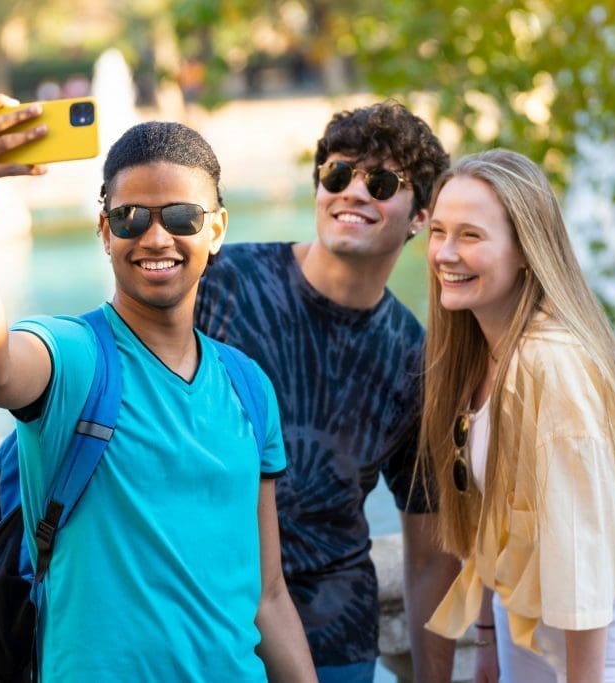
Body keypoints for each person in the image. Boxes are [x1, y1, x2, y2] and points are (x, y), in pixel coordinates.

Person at [0, 95, 316, 681]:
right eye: (131, 218)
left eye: (182, 217)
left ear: (216, 229)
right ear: (105, 231)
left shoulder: (248, 386)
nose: (156, 237)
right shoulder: (74, 358)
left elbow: (268, 595)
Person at [195, 100, 459, 682]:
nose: (354, 193)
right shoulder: (219, 281)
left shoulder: (416, 363)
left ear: (420, 215)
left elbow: (429, 555)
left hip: (334, 642)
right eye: (338, 174)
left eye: (381, 183)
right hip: (203, 626)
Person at [421, 149, 615, 682]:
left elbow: (583, 553)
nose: (445, 253)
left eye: (470, 236)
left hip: (607, 651)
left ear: (525, 249)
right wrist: (488, 636)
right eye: (439, 231)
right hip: (527, 634)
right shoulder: (480, 352)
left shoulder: (552, 362)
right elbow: (492, 518)